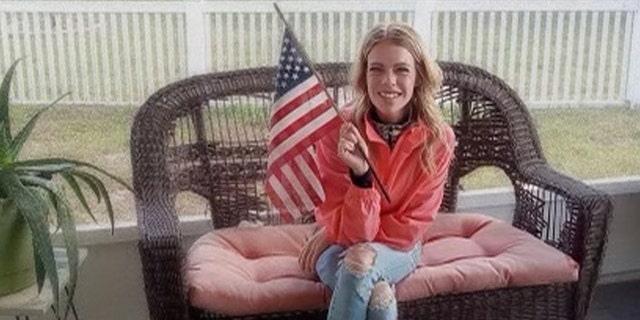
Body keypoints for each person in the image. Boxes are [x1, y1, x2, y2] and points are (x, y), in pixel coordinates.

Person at [298, 22, 455, 320]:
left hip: (399, 245)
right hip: (342, 241)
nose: (388, 81)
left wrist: (335, 235)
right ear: (363, 75)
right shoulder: (339, 130)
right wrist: (361, 176)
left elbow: (412, 224)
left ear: (419, 75)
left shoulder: (439, 139)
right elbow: (342, 219)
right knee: (379, 294)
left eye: (402, 70)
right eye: (376, 69)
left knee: (359, 260)